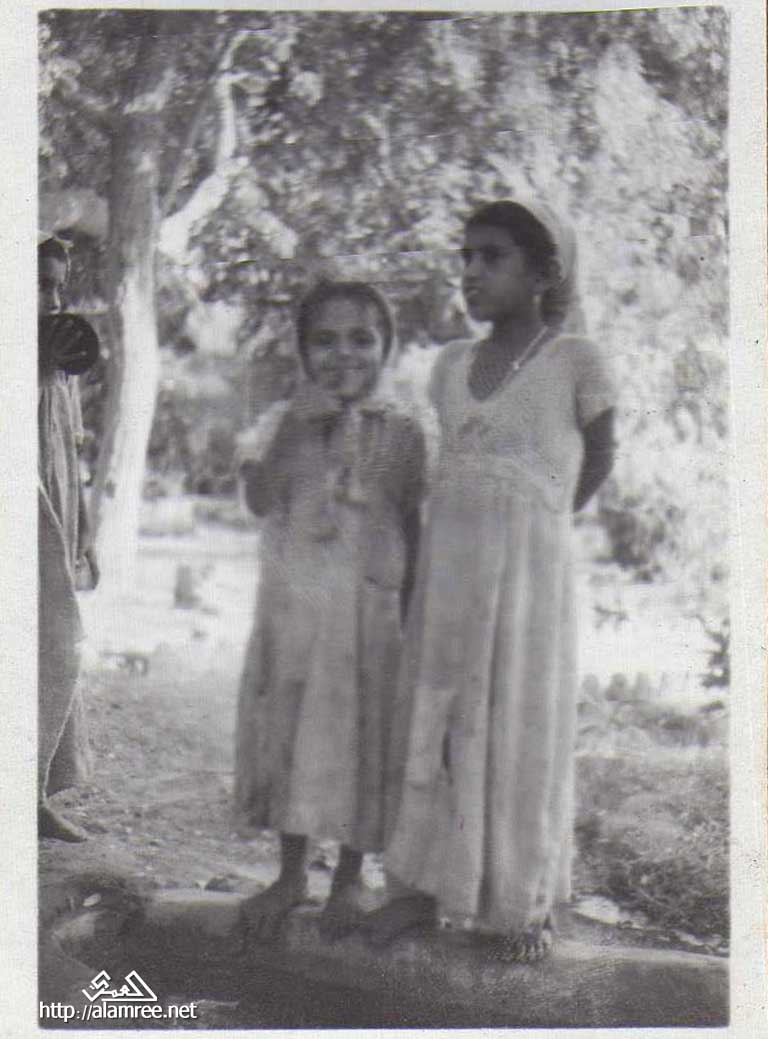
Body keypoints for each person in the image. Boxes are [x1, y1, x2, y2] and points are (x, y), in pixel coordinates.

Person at [365, 200, 617, 961]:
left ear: (544, 273)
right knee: (438, 717)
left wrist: (537, 525)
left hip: (530, 581)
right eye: (466, 257)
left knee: (518, 723)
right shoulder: (448, 366)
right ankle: (417, 886)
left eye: (493, 256)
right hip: (450, 573)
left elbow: (598, 459)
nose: (471, 272)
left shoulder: (577, 360)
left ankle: (516, 906)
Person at [235, 280, 426, 940]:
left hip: (369, 614)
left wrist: (413, 610)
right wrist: (294, 428)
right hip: (297, 611)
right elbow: (260, 499)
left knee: (362, 738)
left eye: (361, 339)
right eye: (325, 340)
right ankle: (291, 872)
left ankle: (349, 877)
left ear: (386, 347)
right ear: (302, 351)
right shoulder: (281, 422)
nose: (344, 354)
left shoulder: (404, 431)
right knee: (291, 731)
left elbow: (414, 520)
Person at [38, 234, 100, 842]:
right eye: (40, 285)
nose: (53, 301)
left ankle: (37, 793)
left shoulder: (61, 367)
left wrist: (86, 534)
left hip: (57, 518)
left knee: (57, 647)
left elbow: (72, 450)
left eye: (58, 286)